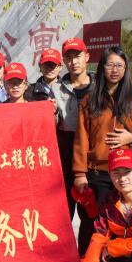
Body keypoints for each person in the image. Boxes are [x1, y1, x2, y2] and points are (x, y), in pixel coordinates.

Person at [73, 46, 132, 257]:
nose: (115, 70)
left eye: (120, 65)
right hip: (97, 175)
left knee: (123, 224)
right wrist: (79, 174)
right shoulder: (89, 100)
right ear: (102, 67)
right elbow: (81, 140)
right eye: (110, 64)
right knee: (92, 224)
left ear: (125, 69)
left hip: (126, 176)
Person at [51, 38, 95, 221]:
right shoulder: (56, 89)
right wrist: (51, 113)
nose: (73, 62)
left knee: (91, 214)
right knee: (63, 213)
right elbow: (52, 125)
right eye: (68, 58)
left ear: (87, 56)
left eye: (77, 56)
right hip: (66, 153)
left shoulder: (100, 86)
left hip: (92, 153)